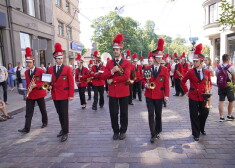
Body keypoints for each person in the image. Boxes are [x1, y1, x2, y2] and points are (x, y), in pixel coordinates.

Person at [102, 34, 131, 140]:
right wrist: (112, 71)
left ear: (120, 50)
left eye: (117, 49)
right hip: (113, 92)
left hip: (123, 91)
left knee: (124, 112)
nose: (115, 51)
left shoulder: (126, 63)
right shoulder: (109, 63)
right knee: (113, 113)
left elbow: (126, 76)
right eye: (114, 49)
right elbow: (104, 75)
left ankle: (123, 130)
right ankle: (115, 131)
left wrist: (113, 79)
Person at [181, 43, 212, 141]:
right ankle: (196, 133)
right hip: (193, 96)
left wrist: (208, 88)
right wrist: (186, 91)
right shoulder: (190, 72)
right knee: (193, 115)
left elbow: (210, 83)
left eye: (196, 61)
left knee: (205, 113)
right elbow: (183, 81)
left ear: (201, 62)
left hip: (204, 96)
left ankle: (201, 127)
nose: (194, 63)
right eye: (194, 61)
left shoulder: (207, 72)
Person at [143, 38, 169, 143]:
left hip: (159, 95)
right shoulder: (147, 68)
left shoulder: (165, 69)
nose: (159, 59)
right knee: (150, 114)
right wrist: (145, 85)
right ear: (153, 58)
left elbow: (167, 83)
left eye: (160, 57)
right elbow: (143, 80)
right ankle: (152, 134)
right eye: (157, 57)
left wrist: (166, 95)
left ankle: (158, 131)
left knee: (158, 114)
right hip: (149, 94)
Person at [47, 43, 74, 142]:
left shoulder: (67, 68)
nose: (60, 60)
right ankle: (63, 129)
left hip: (64, 94)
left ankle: (65, 132)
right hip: (55, 95)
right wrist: (47, 87)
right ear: (55, 59)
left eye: (61, 58)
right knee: (59, 113)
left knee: (64, 113)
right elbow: (47, 82)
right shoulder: (50, 69)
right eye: (58, 58)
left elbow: (71, 82)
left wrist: (71, 95)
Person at [18, 47, 48, 133]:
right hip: (30, 94)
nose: (28, 64)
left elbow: (46, 83)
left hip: (39, 93)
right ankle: (27, 128)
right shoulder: (26, 72)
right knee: (28, 112)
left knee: (43, 109)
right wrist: (27, 91)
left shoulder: (41, 70)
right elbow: (27, 83)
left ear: (33, 62)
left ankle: (45, 122)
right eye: (27, 63)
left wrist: (36, 85)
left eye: (30, 63)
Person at [215, 54, 235, 122]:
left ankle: (221, 117)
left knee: (221, 101)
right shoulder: (231, 67)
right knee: (231, 101)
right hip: (229, 86)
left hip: (221, 86)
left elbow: (217, 76)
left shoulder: (218, 67)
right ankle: (229, 115)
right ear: (228, 59)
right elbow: (234, 78)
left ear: (222, 59)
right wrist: (233, 85)